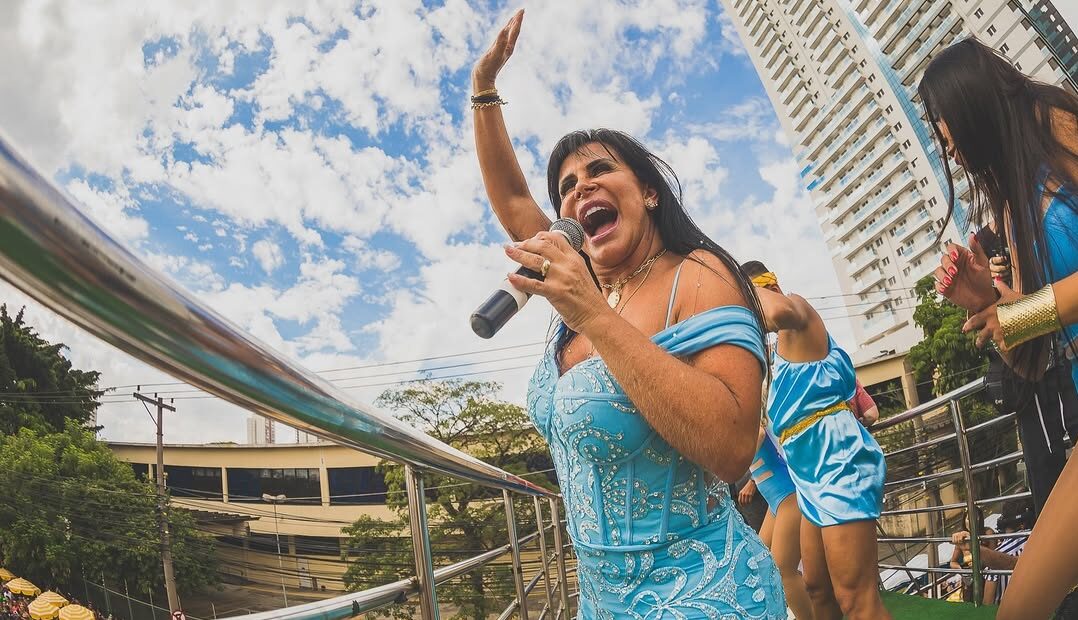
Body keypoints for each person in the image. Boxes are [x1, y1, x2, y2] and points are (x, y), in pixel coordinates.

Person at [471, 10, 786, 618]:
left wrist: (595, 317)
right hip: (600, 601)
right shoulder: (582, 279)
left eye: (598, 171)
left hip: (703, 594)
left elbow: (730, 449)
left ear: (647, 191)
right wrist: (483, 87)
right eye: (566, 185)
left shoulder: (696, 275)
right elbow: (513, 200)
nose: (578, 189)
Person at [920, 37, 1078, 619]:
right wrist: (989, 303)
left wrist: (1024, 311)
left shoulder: (1052, 120)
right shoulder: (1011, 209)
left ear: (973, 100)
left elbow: (1043, 311)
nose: (948, 144)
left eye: (945, 125)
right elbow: (1032, 360)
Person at [741, 262, 889, 620]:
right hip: (809, 479)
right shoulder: (776, 355)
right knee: (817, 588)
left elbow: (775, 310)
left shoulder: (796, 307)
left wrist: (734, 289)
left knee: (856, 598)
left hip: (839, 464)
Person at [739, 424, 815, 620]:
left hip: (788, 497)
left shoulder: (750, 426)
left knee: (783, 569)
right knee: (762, 562)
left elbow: (758, 435)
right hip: (776, 503)